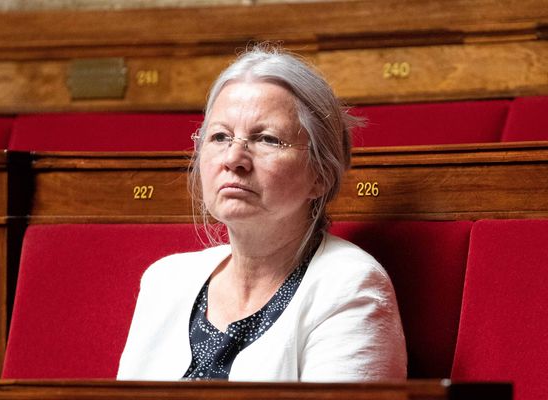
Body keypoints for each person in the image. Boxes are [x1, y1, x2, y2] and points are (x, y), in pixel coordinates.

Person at [117, 44, 406, 382]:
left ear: (321, 174)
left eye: (267, 139)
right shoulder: (164, 281)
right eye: (220, 136)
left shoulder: (349, 286)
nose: (233, 158)